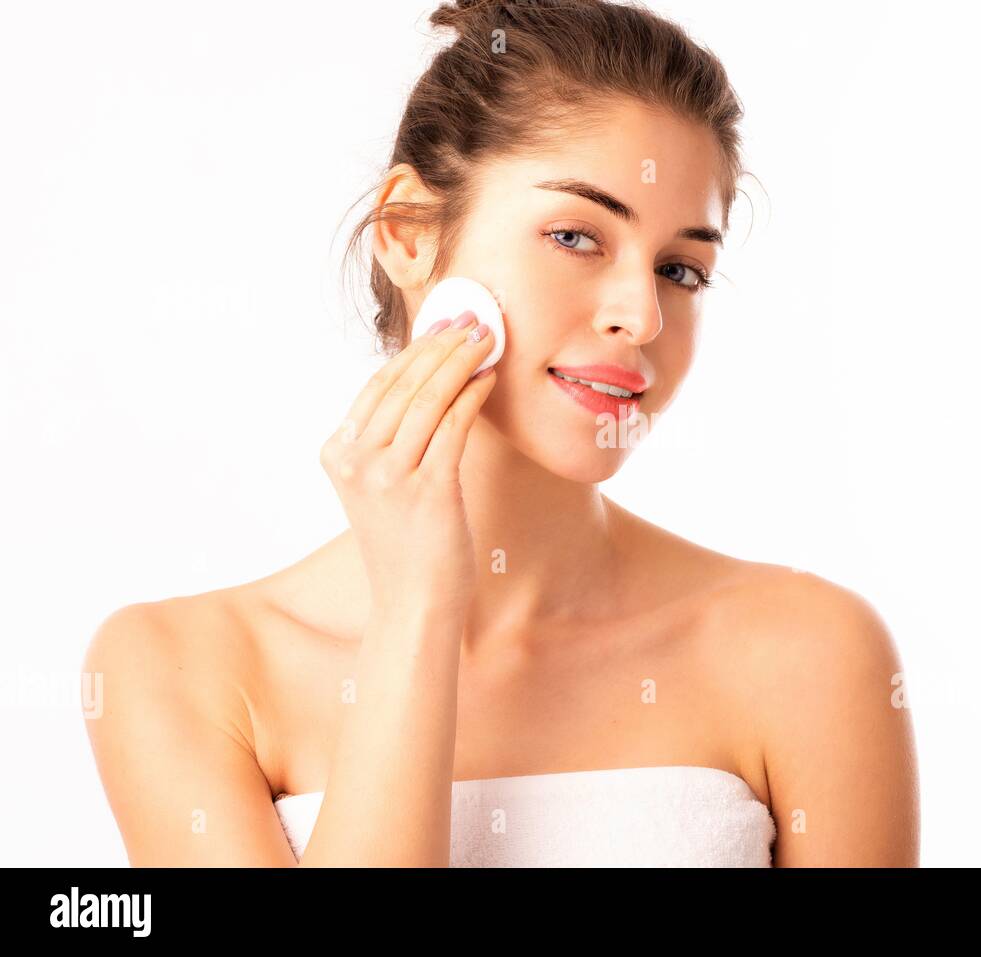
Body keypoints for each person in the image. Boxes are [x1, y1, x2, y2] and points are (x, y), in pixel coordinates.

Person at [83, 0, 919, 867]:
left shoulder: (811, 652)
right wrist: (418, 611)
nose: (641, 316)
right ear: (409, 233)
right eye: (574, 236)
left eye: (680, 269)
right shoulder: (180, 669)